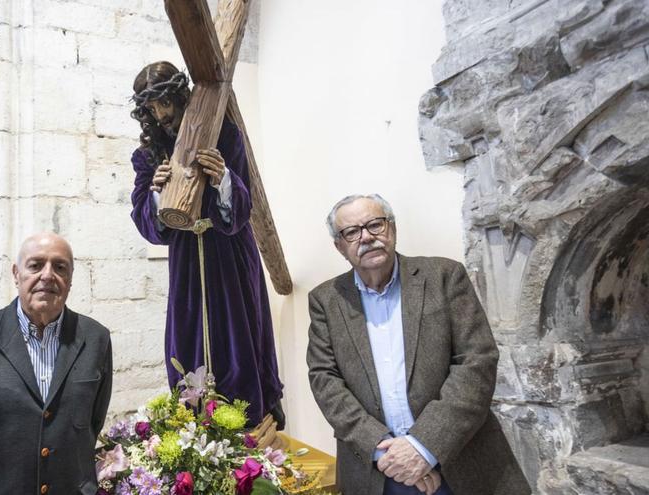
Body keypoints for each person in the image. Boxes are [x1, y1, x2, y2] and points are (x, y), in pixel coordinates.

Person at [307, 194, 530, 495]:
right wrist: (384, 451)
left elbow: (477, 361)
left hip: (461, 459)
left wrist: (422, 447)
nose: (367, 237)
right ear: (339, 246)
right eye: (352, 232)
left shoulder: (444, 276)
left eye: (375, 224)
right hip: (379, 471)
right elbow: (325, 380)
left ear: (392, 228)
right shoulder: (326, 300)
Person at [129, 61, 284, 428]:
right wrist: (156, 192)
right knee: (188, 338)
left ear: (180, 95)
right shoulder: (148, 157)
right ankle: (196, 429)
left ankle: (248, 421)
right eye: (152, 108)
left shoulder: (224, 135)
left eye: (165, 102)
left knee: (239, 334)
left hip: (229, 253)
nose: (161, 113)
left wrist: (223, 178)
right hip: (185, 260)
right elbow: (147, 224)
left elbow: (241, 207)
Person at [0, 232, 112, 494]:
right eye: (36, 265)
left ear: (70, 279)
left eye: (60, 267)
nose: (48, 275)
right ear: (17, 273)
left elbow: (94, 420)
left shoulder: (96, 339)